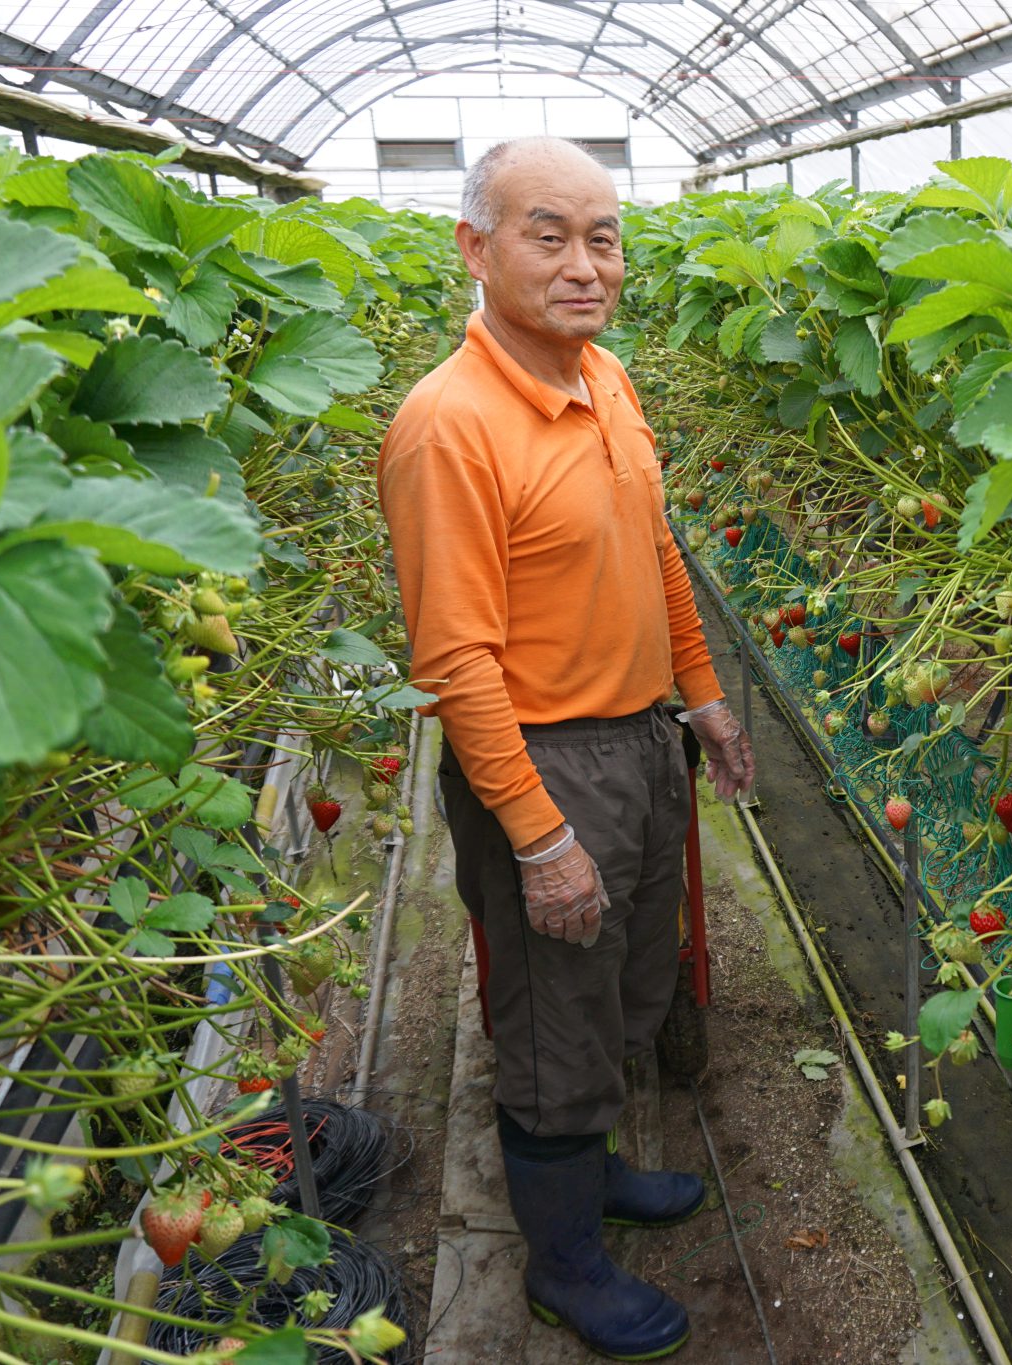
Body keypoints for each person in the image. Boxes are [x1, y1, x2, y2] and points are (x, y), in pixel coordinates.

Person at [378, 135, 752, 1360]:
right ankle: (564, 1267)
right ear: (475, 250)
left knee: (625, 985)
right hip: (544, 761)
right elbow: (456, 665)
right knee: (554, 1022)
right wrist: (539, 839)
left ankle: (586, 1182)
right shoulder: (449, 428)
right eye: (550, 234)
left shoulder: (606, 379)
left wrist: (700, 697)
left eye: (604, 238)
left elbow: (653, 558)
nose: (585, 265)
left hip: (639, 741)